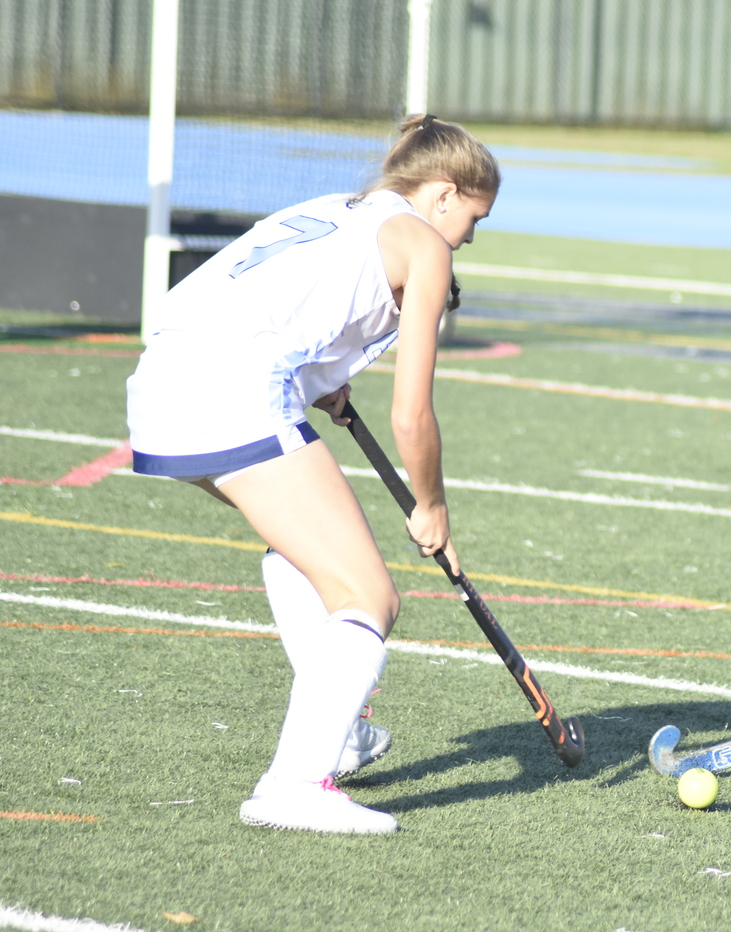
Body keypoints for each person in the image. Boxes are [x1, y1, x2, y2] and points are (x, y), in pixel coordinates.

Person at [125, 114, 499, 834]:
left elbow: (262, 300)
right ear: (445, 194)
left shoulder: (334, 209)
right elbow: (411, 416)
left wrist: (317, 376)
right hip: (230, 385)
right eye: (473, 219)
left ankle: (343, 731)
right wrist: (433, 506)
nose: (468, 238)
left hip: (164, 377)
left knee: (305, 549)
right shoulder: (425, 244)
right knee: (369, 596)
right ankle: (294, 785)